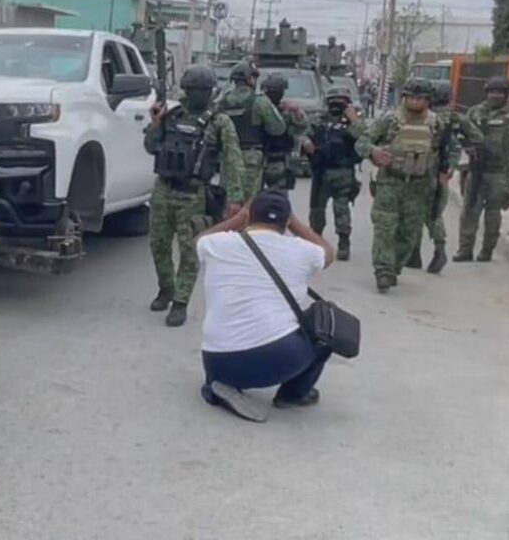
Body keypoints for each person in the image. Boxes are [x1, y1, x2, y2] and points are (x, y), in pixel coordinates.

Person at [196, 189, 335, 423]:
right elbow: (328, 254)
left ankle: (219, 384)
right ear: (287, 221)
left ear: (249, 216)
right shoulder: (301, 250)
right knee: (328, 324)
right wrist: (295, 223)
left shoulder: (217, 244)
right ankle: (293, 394)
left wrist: (238, 219)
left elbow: (198, 241)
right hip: (279, 361)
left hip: (217, 361)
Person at [146, 65, 244, 327]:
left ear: (211, 92)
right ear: (186, 91)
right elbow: (150, 146)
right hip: (164, 189)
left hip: (194, 195)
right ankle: (166, 288)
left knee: (189, 251)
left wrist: (235, 198)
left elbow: (233, 159)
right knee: (158, 245)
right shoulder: (171, 115)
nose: (199, 95)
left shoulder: (219, 122)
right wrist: (155, 122)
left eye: (204, 90)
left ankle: (180, 301)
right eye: (193, 90)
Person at [356, 78, 458, 292]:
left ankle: (394, 266)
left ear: (427, 100)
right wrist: (373, 152)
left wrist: (444, 172)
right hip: (390, 182)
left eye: (419, 98)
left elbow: (446, 149)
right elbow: (362, 141)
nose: (414, 101)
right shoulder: (390, 120)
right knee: (385, 227)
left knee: (409, 233)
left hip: (419, 186)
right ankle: (383, 270)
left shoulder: (436, 123)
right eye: (410, 96)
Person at [454, 76, 509, 262]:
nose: (495, 96)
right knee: (470, 210)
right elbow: (461, 137)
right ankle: (465, 249)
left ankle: (487, 250)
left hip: (501, 173)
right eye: (491, 92)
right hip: (476, 170)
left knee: (493, 213)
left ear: (507, 95)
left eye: (499, 92)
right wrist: (461, 166)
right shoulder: (475, 112)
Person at [406, 81, 484, 274]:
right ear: (450, 97)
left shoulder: (421, 116)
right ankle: (439, 250)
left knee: (413, 212)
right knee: (434, 213)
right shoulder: (456, 118)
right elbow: (477, 137)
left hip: (416, 169)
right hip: (441, 173)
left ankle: (413, 255)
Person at [303, 86, 366, 261]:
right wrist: (307, 144)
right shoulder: (318, 120)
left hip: (343, 171)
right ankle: (316, 241)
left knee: (341, 209)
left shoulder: (352, 122)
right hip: (321, 171)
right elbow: (304, 135)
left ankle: (343, 243)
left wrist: (355, 121)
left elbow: (366, 138)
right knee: (317, 210)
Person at [219, 61, 289, 205]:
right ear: (249, 79)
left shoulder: (222, 102)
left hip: (228, 156)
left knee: (229, 200)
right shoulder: (259, 102)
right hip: (251, 157)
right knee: (249, 203)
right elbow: (278, 128)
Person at [259, 73, 310, 191]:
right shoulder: (260, 107)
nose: (274, 93)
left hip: (281, 157)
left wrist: (296, 111)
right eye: (271, 90)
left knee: (280, 196)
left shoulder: (286, 109)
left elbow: (302, 126)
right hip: (261, 157)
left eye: (277, 90)